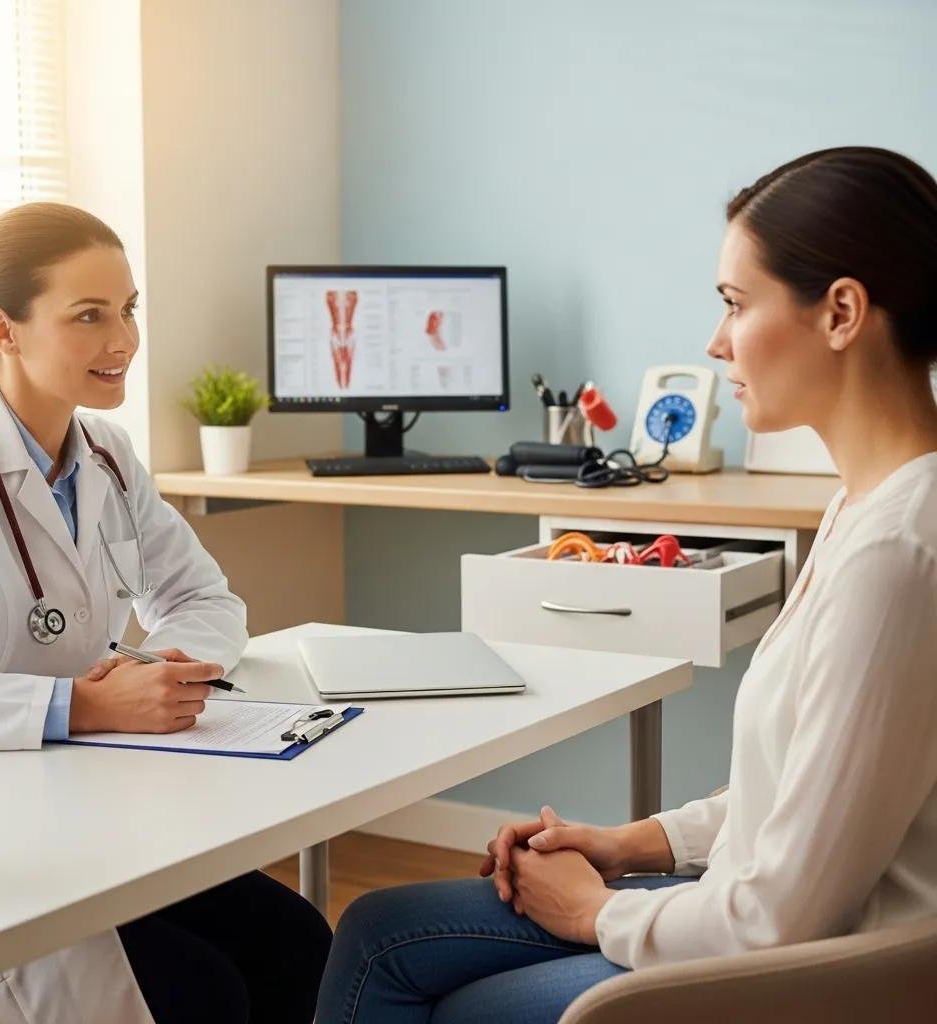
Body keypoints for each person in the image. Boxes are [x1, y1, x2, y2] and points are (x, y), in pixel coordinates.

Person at [313, 146, 937, 1024]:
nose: (715, 343)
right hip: (754, 907)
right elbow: (800, 792)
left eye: (734, 304)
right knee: (378, 927)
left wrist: (596, 909)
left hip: (815, 970)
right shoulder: (861, 509)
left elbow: (784, 916)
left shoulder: (900, 555)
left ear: (841, 312)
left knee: (440, 991)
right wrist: (625, 843)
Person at [0, 203, 331, 1024]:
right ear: (3, 328)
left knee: (296, 941)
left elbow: (204, 598)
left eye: (129, 308)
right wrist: (79, 704)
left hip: (94, 809)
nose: (123, 340)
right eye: (89, 316)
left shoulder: (106, 452)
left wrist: (157, 665)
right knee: (202, 994)